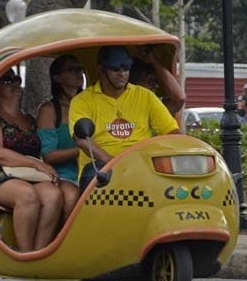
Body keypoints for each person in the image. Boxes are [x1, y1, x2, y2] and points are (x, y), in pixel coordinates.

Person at [0, 69, 78, 251]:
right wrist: (37, 164)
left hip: (27, 175)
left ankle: (40, 251)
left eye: (17, 78)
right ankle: (24, 253)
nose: (14, 83)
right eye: (7, 80)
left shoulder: (29, 119)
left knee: (54, 195)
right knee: (26, 195)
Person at [70, 45, 179, 191]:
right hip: (101, 167)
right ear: (101, 69)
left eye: (126, 69)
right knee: (96, 178)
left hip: (142, 165)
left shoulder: (145, 95)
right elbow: (82, 139)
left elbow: (171, 132)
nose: (122, 74)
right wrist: (113, 162)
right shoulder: (82, 100)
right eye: (116, 69)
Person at [36, 54, 83, 218]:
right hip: (63, 175)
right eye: (72, 70)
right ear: (57, 77)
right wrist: (82, 149)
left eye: (80, 69)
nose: (79, 74)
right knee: (71, 197)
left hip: (95, 171)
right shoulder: (49, 110)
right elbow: (48, 155)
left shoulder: (92, 104)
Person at [128, 45, 186, 117]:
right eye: (151, 81)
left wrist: (153, 61)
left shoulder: (154, 108)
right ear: (135, 83)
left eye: (156, 81)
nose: (156, 86)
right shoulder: (121, 104)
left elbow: (179, 99)